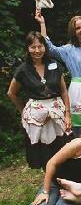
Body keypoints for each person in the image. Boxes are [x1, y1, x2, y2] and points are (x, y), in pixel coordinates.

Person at [7, 31, 72, 169]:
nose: (37, 50)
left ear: (45, 47)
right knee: (43, 150)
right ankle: (50, 180)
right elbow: (11, 93)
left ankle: (64, 176)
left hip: (57, 111)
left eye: (40, 46)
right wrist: (23, 110)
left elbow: (64, 91)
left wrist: (67, 114)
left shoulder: (54, 64)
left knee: (62, 146)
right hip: (37, 115)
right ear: (27, 49)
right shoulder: (23, 70)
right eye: (33, 47)